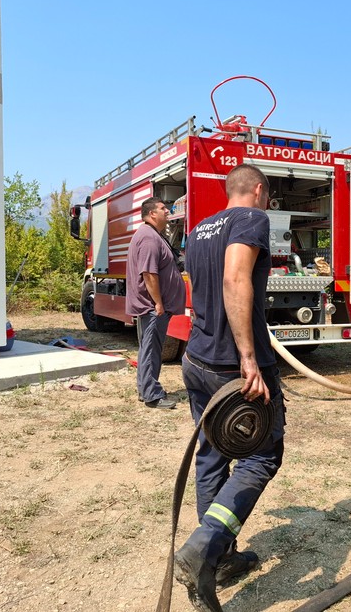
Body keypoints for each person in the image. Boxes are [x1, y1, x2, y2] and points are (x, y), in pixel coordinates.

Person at [174, 164, 286, 612]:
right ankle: (204, 549)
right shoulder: (252, 219)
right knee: (262, 456)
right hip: (231, 368)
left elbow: (202, 287)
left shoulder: (199, 229)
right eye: (266, 195)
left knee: (212, 455)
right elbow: (235, 277)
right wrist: (246, 356)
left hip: (196, 359)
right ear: (259, 191)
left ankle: (219, 560)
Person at [125, 196, 186, 409]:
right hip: (153, 307)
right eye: (163, 209)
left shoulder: (152, 235)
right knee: (151, 350)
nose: (167, 211)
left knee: (148, 349)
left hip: (153, 307)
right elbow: (149, 274)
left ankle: (146, 390)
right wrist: (158, 303)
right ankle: (152, 396)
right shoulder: (149, 238)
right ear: (152, 214)